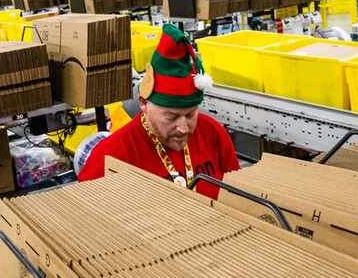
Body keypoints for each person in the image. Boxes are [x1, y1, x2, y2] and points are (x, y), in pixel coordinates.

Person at [78, 23, 240, 199]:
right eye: (171, 117)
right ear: (143, 103)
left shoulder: (212, 133)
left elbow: (238, 194)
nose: (184, 128)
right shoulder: (111, 156)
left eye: (190, 114)